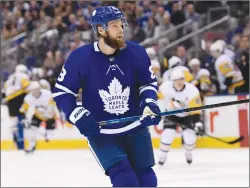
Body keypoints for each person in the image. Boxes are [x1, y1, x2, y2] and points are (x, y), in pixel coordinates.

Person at [52, 6, 161, 187]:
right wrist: (77, 114)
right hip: (101, 132)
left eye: (121, 25)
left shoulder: (137, 52)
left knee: (147, 179)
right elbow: (62, 92)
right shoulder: (80, 57)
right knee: (125, 180)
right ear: (101, 30)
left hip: (135, 127)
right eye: (115, 26)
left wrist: (149, 102)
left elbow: (147, 84)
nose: (121, 30)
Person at [158, 69, 204, 165]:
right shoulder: (165, 87)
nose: (179, 82)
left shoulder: (192, 90)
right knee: (167, 134)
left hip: (187, 116)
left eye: (181, 79)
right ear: (172, 81)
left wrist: (197, 122)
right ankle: (162, 157)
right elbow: (155, 96)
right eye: (176, 80)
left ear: (184, 79)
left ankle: (188, 152)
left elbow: (196, 109)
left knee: (190, 139)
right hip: (171, 114)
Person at [19, 81, 60, 153]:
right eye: (33, 90)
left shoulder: (48, 94)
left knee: (49, 136)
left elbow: (56, 105)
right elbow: (23, 110)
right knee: (31, 131)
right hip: (38, 116)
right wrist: (25, 119)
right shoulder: (28, 98)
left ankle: (48, 136)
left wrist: (60, 115)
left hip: (50, 116)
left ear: (39, 89)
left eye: (36, 89)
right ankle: (32, 145)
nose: (35, 91)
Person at [2, 64, 31, 149]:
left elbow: (4, 90)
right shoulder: (24, 76)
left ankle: (15, 135)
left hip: (9, 101)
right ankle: (21, 143)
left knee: (14, 121)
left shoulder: (10, 78)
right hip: (19, 98)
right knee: (21, 121)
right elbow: (27, 87)